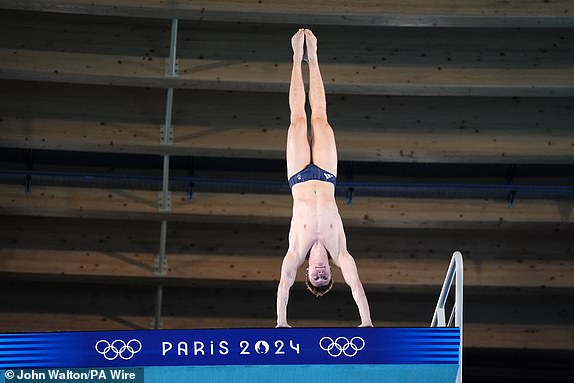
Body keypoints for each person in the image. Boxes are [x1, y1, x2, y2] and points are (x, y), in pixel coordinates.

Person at [276, 29, 373, 328]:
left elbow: (283, 284)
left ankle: (295, 58)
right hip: (327, 175)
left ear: (307, 273)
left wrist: (282, 322)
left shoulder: (296, 252)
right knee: (319, 117)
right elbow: (356, 284)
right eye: (325, 278)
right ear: (331, 272)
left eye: (315, 279)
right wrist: (366, 322)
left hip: (298, 178)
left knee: (297, 118)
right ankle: (313, 58)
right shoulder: (340, 251)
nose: (320, 275)